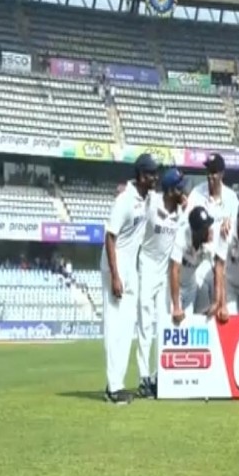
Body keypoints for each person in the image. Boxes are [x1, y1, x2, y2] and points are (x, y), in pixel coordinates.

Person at [101, 153, 158, 405]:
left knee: (127, 326)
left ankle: (117, 383)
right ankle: (113, 388)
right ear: (141, 175)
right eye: (151, 174)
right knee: (115, 326)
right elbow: (110, 237)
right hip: (115, 264)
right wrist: (115, 276)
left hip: (131, 264)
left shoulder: (147, 198)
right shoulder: (124, 200)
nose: (155, 177)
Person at [135, 168, 187, 398]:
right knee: (145, 324)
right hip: (147, 266)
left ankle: (159, 376)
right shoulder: (152, 202)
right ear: (169, 190)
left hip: (165, 271)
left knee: (163, 325)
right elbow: (137, 196)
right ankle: (143, 377)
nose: (183, 191)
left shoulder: (181, 213)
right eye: (179, 188)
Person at [186, 152, 238, 303]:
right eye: (208, 171)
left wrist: (230, 223)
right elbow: (187, 223)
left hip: (223, 262)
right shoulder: (196, 193)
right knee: (201, 307)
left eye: (214, 172)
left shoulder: (231, 197)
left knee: (221, 307)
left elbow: (236, 229)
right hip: (201, 260)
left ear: (222, 174)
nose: (210, 176)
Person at [169, 206, 218, 322]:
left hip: (190, 287)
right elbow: (174, 270)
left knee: (188, 323)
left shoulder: (209, 241)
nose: (209, 231)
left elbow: (218, 271)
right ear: (195, 231)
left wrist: (216, 302)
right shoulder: (181, 236)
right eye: (205, 229)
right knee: (174, 323)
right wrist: (176, 307)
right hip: (173, 287)